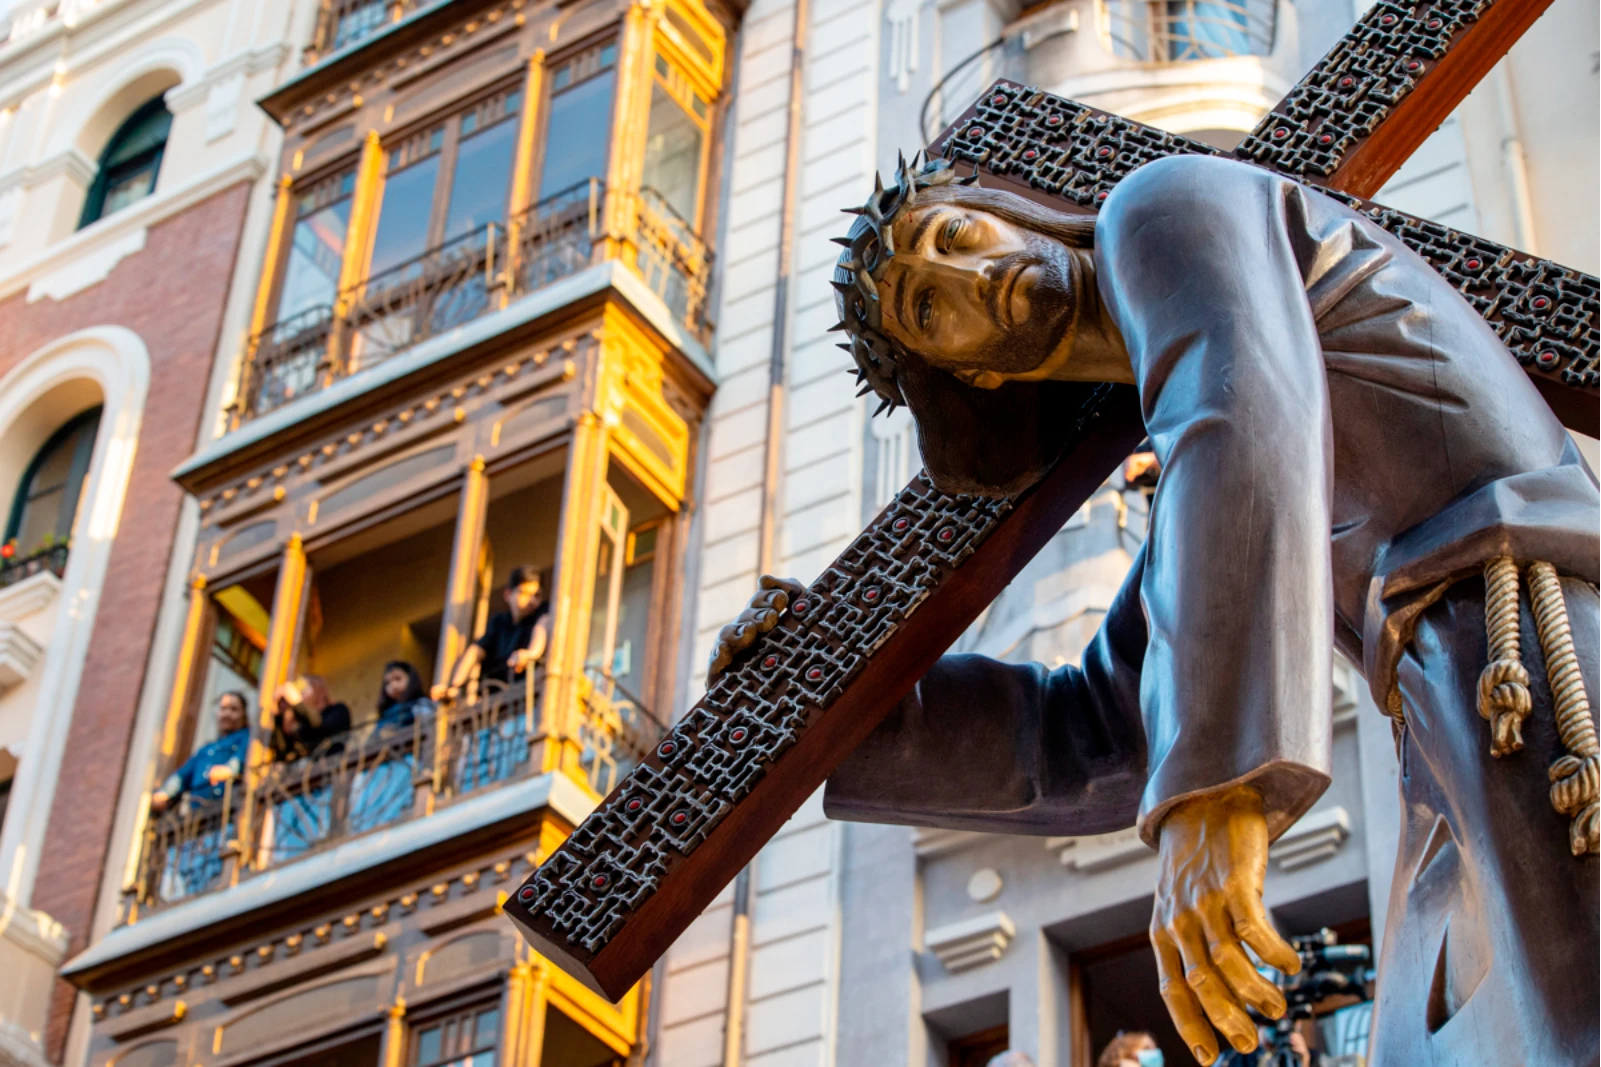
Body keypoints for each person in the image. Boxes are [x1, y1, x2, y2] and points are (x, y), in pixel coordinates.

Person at [711, 154, 1597, 1065]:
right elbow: (1093, 726)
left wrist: (1213, 787)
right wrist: (835, 705)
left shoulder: (1161, 205)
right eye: (931, 307)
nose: (974, 274)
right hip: (1454, 720)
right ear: (969, 374)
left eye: (957, 234)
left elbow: (1240, 408)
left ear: (1005, 209)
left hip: (1534, 636)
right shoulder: (1199, 473)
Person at [436, 566, 549, 700]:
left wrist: (531, 654)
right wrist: (454, 686)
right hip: (495, 696)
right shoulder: (498, 622)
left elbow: (541, 628)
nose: (532, 600)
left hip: (526, 694)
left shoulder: (542, 612)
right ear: (508, 595)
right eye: (524, 593)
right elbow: (475, 651)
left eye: (536, 595)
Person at [150, 691, 251, 813]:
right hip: (197, 815)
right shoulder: (206, 749)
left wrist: (229, 770)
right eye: (223, 709)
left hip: (225, 812)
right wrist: (165, 793)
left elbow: (239, 761)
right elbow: (182, 775)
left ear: (243, 715)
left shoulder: (247, 737)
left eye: (234, 709)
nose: (227, 714)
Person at [269, 674, 351, 761]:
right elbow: (284, 751)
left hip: (336, 763)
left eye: (303, 688)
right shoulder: (302, 724)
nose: (300, 694)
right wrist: (280, 715)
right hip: (314, 768)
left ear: (318, 689)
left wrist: (297, 703)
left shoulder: (339, 710)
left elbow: (319, 726)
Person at [374, 660, 434, 732]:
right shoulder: (385, 714)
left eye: (398, 679)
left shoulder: (420, 704)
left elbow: (430, 729)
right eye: (387, 683)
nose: (393, 685)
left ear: (411, 679)